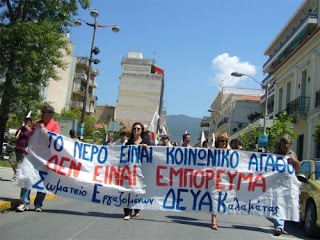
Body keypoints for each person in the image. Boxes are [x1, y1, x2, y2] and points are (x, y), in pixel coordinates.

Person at [16, 105, 60, 212]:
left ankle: (38, 204)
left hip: (46, 158)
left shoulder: (55, 125)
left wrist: (44, 130)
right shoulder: (36, 123)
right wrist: (27, 147)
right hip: (33, 155)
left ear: (50, 115)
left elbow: (55, 140)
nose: (42, 115)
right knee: (27, 176)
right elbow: (31, 136)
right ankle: (24, 202)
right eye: (41, 112)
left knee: (43, 181)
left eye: (44, 113)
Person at [271, 135, 301, 236]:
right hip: (277, 184)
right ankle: (279, 226)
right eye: (284, 143)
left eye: (288, 143)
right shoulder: (275, 154)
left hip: (288, 185)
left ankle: (280, 224)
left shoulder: (292, 154)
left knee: (285, 204)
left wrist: (295, 161)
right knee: (279, 203)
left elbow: (297, 168)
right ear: (281, 144)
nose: (286, 145)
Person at [123, 122, 148, 221]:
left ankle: (137, 208)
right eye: (134, 129)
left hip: (141, 171)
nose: (136, 130)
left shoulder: (146, 143)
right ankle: (127, 212)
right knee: (128, 191)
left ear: (141, 131)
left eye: (138, 129)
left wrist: (147, 149)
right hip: (129, 171)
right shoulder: (128, 144)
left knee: (138, 190)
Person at [210, 133, 229, 230]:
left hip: (225, 179)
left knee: (222, 198)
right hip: (213, 179)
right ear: (218, 142)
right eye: (222, 141)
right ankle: (214, 220)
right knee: (215, 197)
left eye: (226, 141)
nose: (224, 143)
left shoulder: (229, 153)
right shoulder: (212, 152)